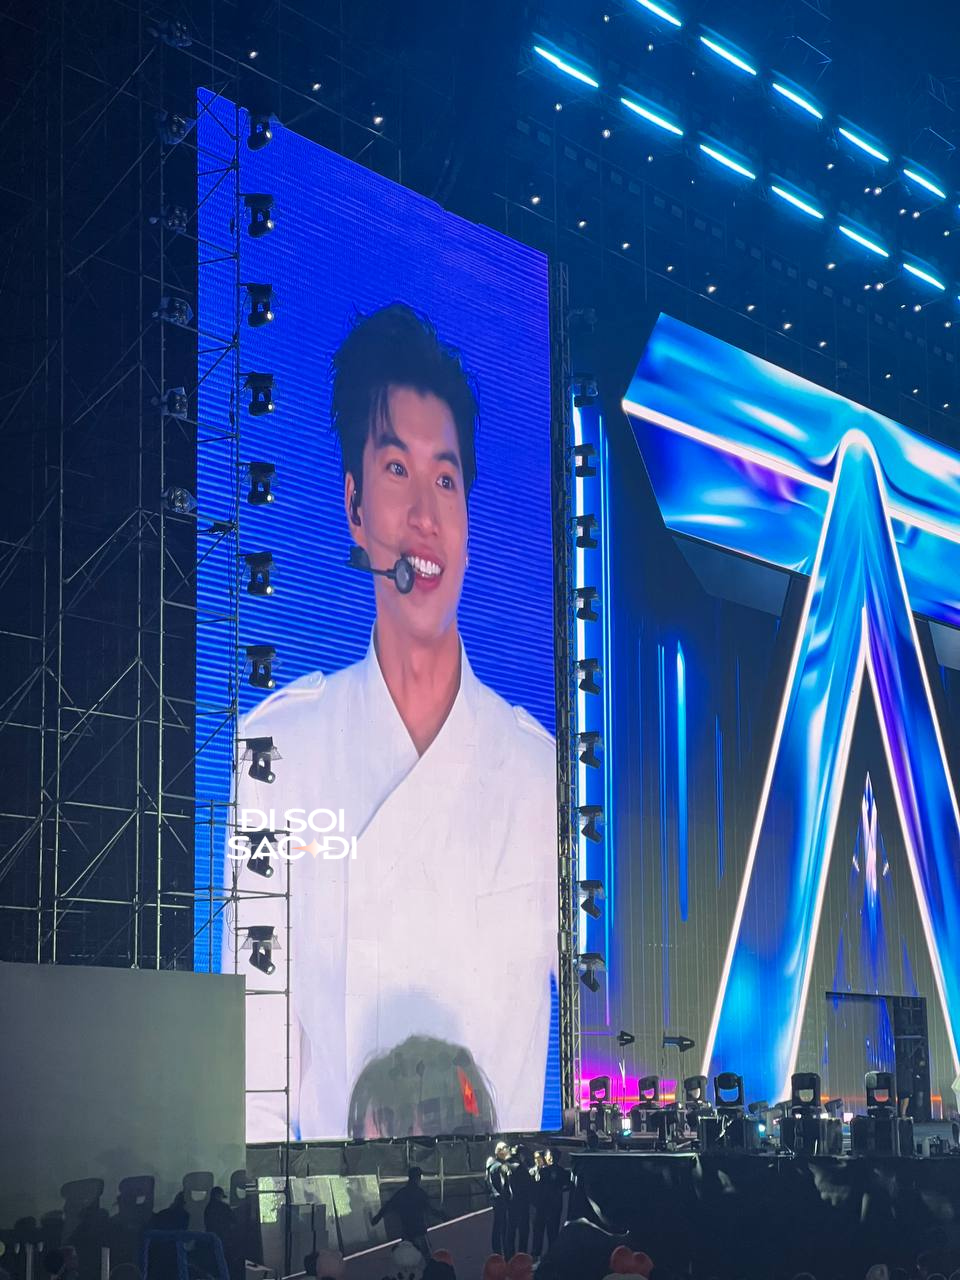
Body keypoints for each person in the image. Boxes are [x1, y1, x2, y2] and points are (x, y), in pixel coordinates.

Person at [228, 303, 558, 1141]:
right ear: (354, 506)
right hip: (336, 1207)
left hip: (502, 1208)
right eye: (396, 470)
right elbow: (254, 1049)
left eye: (445, 480)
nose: (424, 515)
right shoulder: (279, 748)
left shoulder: (541, 774)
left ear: (469, 518)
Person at [371, 1167, 443, 1261]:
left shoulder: (401, 1193)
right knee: (427, 1258)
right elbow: (430, 1210)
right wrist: (443, 1216)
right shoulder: (420, 1193)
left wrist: (377, 1218)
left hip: (407, 1232)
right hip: (419, 1231)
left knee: (405, 1258)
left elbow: (388, 1206)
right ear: (418, 1178)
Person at [485, 1142, 512, 1258]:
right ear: (500, 1151)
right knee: (502, 1227)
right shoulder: (498, 1166)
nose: (508, 1151)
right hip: (500, 1199)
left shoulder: (492, 1164)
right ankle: (501, 1252)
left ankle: (498, 1252)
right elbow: (502, 1184)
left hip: (497, 1199)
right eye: (506, 1149)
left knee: (499, 1226)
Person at [505, 1146, 532, 1256]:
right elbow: (528, 1186)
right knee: (523, 1231)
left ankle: (509, 1256)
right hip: (522, 1203)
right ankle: (521, 1256)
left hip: (510, 1203)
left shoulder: (506, 1166)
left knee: (510, 1231)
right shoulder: (521, 1169)